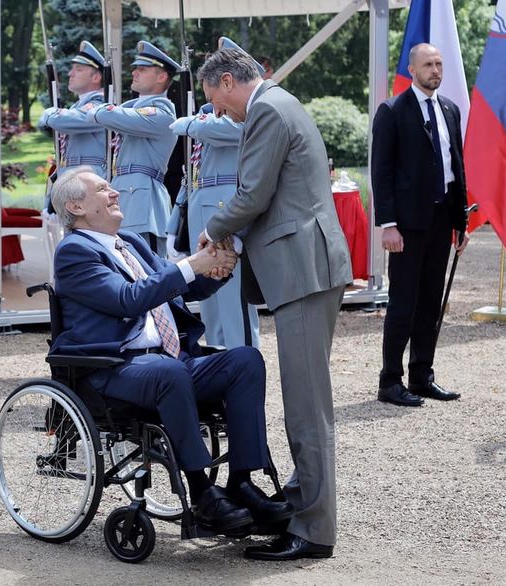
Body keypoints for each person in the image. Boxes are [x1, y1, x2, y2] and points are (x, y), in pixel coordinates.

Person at [50, 167, 294, 536]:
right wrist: (190, 266)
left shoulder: (130, 243)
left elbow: (179, 287)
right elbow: (128, 299)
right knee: (170, 371)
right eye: (103, 189)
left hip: (166, 363)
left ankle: (242, 482)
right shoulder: (74, 252)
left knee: (245, 359)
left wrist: (215, 270)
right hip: (115, 368)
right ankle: (202, 492)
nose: (115, 193)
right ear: (76, 206)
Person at [196, 49, 352, 561]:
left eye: (215, 100)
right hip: (306, 266)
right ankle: (299, 508)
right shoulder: (280, 102)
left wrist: (212, 232)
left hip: (302, 270)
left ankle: (312, 530)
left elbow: (253, 194)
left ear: (227, 80)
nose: (219, 111)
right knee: (307, 403)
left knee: (307, 409)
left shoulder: (265, 109)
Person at [371, 42, 469, 408]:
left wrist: (460, 222)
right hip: (407, 225)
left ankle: (422, 376)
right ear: (412, 69)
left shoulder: (450, 109)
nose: (436, 70)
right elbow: (381, 172)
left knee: (431, 302)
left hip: (442, 218)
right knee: (403, 304)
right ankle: (390, 381)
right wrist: (389, 224)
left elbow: (456, 167)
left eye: (439, 64)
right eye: (428, 64)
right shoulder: (393, 111)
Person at [166, 37, 262, 349]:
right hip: (200, 202)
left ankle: (244, 364)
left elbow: (212, 129)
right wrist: (174, 222)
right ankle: (220, 363)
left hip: (226, 204)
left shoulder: (245, 116)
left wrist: (191, 121)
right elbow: (192, 171)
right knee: (208, 297)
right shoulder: (210, 114)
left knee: (234, 302)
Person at [85, 41, 179, 256]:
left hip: (143, 205)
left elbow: (106, 114)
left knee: (147, 272)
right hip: (124, 198)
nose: (134, 73)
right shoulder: (133, 110)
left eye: (142, 69)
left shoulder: (161, 113)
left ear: (162, 77)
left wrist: (102, 108)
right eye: (136, 68)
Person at [38, 40, 108, 177]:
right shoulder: (78, 106)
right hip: (73, 175)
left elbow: (62, 120)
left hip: (88, 177)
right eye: (72, 68)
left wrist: (49, 113)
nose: (71, 73)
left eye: (79, 69)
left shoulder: (100, 104)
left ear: (96, 77)